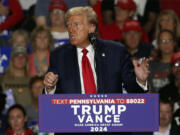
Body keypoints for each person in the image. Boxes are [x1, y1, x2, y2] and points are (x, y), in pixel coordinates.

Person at [44, 6, 149, 95]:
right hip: (72, 116)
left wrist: (140, 81)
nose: (71, 30)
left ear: (91, 28)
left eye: (76, 25)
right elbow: (52, 99)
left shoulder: (116, 52)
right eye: (69, 25)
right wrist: (50, 88)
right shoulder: (59, 56)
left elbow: (133, 91)